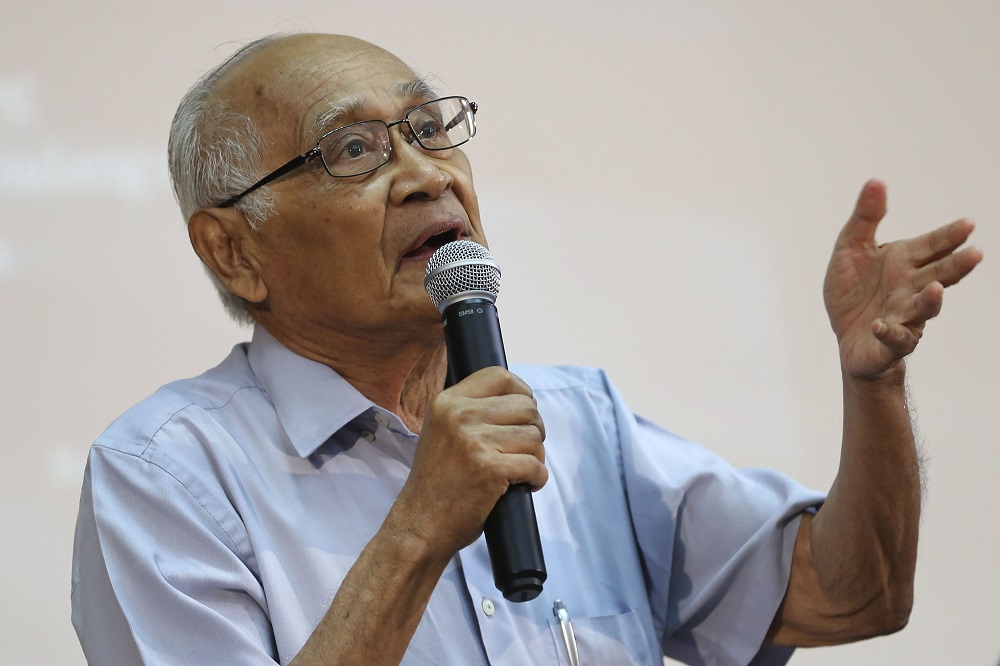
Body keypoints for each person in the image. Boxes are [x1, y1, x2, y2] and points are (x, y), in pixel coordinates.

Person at [71, 33, 983, 665]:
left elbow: (852, 595)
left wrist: (876, 386)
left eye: (430, 132)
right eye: (354, 149)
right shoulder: (167, 477)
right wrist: (420, 528)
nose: (427, 174)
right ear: (235, 250)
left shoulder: (579, 419)